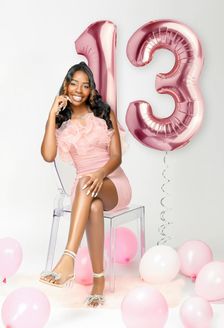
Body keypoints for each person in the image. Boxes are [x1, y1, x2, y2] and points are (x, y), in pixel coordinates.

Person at [39, 62, 132, 307]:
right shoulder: (61, 121)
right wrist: (51, 114)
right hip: (86, 191)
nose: (79, 89)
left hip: (112, 183)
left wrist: (100, 174)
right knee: (92, 206)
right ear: (66, 86)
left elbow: (116, 157)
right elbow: (48, 155)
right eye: (74, 83)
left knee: (85, 184)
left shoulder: (103, 113)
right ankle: (98, 280)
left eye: (86, 85)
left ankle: (68, 256)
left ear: (91, 90)